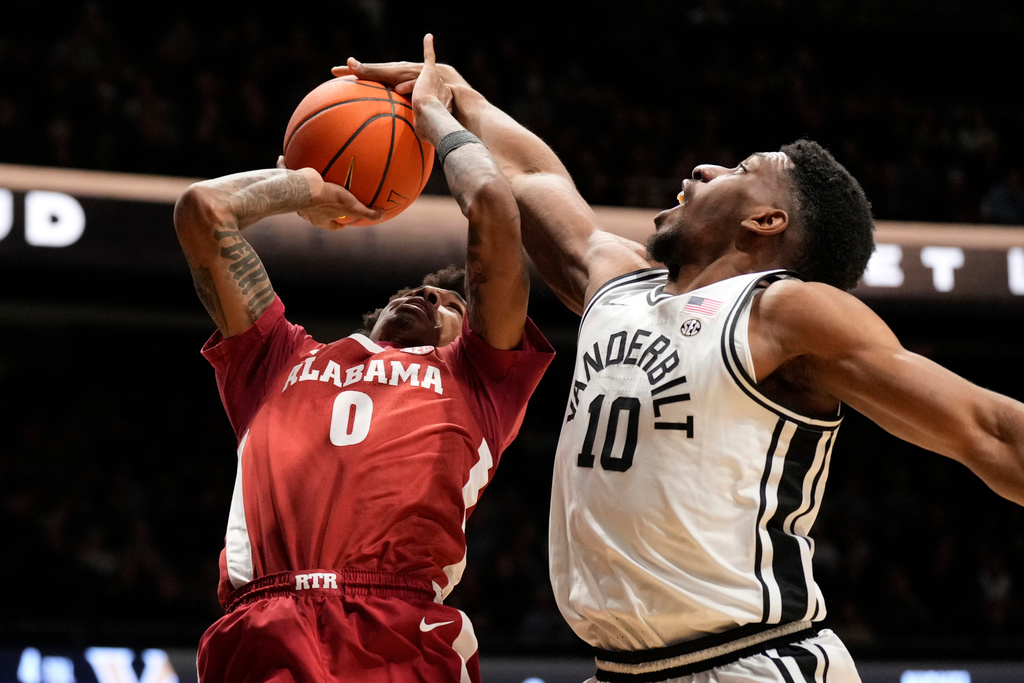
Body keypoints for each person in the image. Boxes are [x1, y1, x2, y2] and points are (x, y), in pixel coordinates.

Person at [339, 54, 1024, 683]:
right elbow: (535, 179)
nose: (700, 169)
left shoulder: (786, 313)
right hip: (622, 669)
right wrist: (457, 91)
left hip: (752, 660)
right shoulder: (616, 281)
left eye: (739, 169)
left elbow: (989, 429)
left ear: (766, 220)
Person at [173, 35, 554, 683]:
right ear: (370, 316)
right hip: (262, 625)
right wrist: (302, 187)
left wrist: (435, 117)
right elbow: (202, 212)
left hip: (398, 633)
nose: (427, 297)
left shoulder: (477, 380)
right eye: (416, 290)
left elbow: (493, 208)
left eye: (447, 307)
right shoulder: (278, 359)